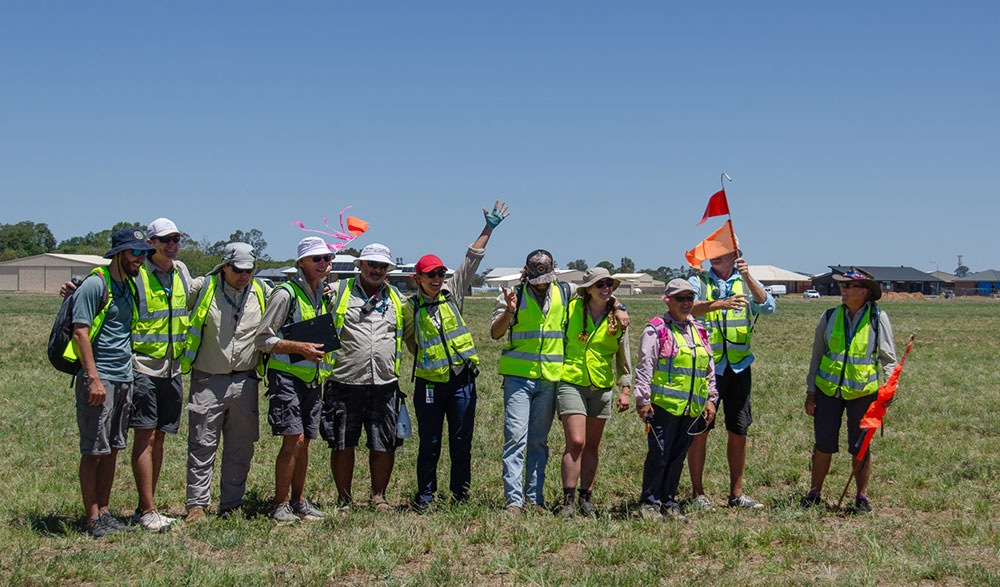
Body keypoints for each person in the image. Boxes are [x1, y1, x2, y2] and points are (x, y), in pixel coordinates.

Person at [491, 250, 627, 514]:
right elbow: (495, 333)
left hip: (550, 378)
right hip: (518, 378)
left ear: (554, 269)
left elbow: (599, 291)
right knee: (516, 439)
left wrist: (619, 307)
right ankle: (514, 502)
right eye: (536, 278)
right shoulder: (512, 294)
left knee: (539, 441)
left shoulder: (565, 290)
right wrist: (509, 312)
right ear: (527, 271)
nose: (542, 283)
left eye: (547, 277)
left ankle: (535, 498)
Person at [402, 201, 509, 512]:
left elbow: (471, 260)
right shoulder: (410, 308)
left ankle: (460, 495)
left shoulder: (453, 292)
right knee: (430, 443)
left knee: (462, 442)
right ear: (417, 278)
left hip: (462, 382)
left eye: (440, 273)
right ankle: (426, 496)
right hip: (430, 385)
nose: (437, 278)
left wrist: (488, 228)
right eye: (430, 274)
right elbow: (405, 339)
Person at [67, 228, 153, 537]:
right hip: (100, 379)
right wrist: (93, 379)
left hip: (123, 378)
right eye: (135, 253)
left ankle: (104, 512)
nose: (141, 259)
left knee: (113, 448)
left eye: (143, 253)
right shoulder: (96, 284)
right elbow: (80, 332)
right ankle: (91, 518)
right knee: (93, 451)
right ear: (119, 253)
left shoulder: (130, 285)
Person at [181, 243, 270, 522]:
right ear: (224, 265)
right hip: (208, 379)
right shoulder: (203, 287)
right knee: (202, 444)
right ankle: (197, 505)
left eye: (249, 270)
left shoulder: (263, 291)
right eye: (237, 270)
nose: (243, 275)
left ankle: (232, 503)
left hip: (245, 381)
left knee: (241, 446)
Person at [319, 242, 406, 512]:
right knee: (343, 443)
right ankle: (344, 500)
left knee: (384, 443)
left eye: (382, 266)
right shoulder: (335, 292)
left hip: (384, 383)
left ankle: (378, 497)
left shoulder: (397, 299)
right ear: (360, 266)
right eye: (372, 265)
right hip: (344, 381)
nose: (377, 270)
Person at [686, 249, 775, 510]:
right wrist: (717, 304)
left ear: (736, 254)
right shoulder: (699, 282)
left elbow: (768, 306)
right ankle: (697, 494)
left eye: (721, 252)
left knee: (738, 430)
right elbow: (686, 307)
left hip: (739, 368)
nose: (714, 256)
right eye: (712, 252)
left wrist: (748, 278)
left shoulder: (745, 280)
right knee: (700, 429)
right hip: (706, 368)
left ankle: (736, 494)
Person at [803, 267, 896, 513]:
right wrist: (811, 391)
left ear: (864, 292)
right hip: (827, 391)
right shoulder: (829, 316)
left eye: (848, 287)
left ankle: (861, 497)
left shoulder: (878, 318)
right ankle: (814, 494)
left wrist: (887, 390)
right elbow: (817, 356)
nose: (842, 291)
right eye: (842, 286)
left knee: (861, 446)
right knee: (823, 444)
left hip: (863, 394)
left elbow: (888, 358)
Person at [255, 236, 334, 522]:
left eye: (327, 259)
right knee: (294, 441)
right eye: (317, 259)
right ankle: (280, 505)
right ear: (301, 263)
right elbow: (263, 338)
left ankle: (300, 502)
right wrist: (299, 348)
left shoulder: (322, 293)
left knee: (306, 442)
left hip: (312, 379)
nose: (324, 263)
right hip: (286, 377)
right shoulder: (285, 294)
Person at [635, 279, 717, 522]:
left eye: (689, 298)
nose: (685, 303)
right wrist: (643, 400)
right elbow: (644, 367)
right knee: (659, 456)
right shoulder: (656, 330)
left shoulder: (699, 331)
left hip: (691, 408)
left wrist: (711, 399)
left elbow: (709, 368)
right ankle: (649, 503)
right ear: (667, 300)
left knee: (678, 457)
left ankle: (669, 502)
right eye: (680, 298)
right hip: (663, 407)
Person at [130, 217, 192, 530]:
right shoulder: (138, 273)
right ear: (151, 243)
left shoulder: (181, 271)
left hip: (173, 368)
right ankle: (147, 510)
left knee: (161, 439)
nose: (171, 245)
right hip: (143, 366)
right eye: (165, 239)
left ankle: (147, 505)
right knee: (146, 436)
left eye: (176, 239)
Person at [557, 267, 632, 518]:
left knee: (592, 445)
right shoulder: (571, 309)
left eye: (609, 283)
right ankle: (567, 499)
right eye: (599, 284)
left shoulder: (619, 318)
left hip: (601, 385)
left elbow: (624, 354)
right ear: (588, 288)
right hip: (571, 380)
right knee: (576, 442)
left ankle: (585, 498)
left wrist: (625, 388)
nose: (605, 288)